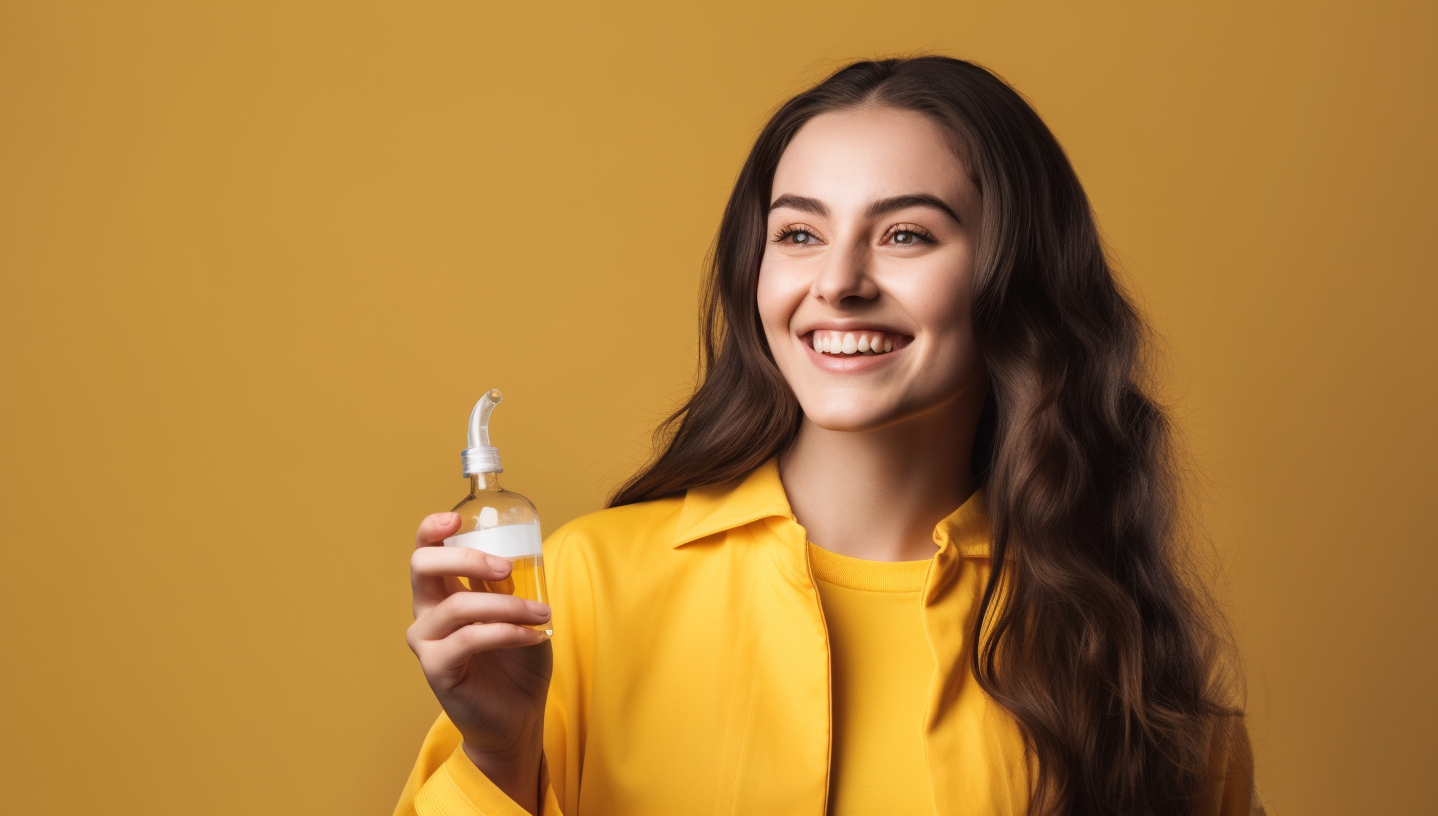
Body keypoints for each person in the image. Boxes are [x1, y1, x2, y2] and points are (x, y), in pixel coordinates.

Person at [394, 56, 1261, 816]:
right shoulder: (581, 592)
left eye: (906, 235)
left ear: (1014, 277)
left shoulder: (1114, 640)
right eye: (800, 233)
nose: (839, 282)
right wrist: (499, 756)